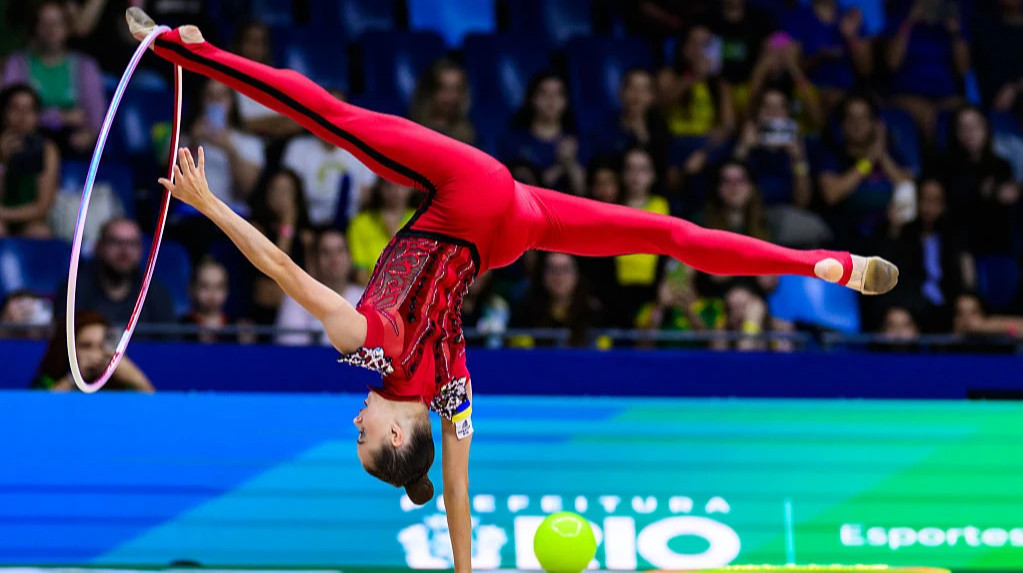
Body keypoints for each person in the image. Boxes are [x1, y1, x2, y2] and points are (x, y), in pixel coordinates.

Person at [129, 10, 898, 572]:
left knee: (666, 236)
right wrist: (208, 204)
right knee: (334, 118)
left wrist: (466, 572)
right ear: (395, 437)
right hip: (468, 197)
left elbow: (459, 491)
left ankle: (822, 262)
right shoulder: (368, 351)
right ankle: (187, 53)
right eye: (361, 435)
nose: (354, 420)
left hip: (507, 233)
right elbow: (282, 268)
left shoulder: (452, 388)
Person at [2, 0, 105, 155]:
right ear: (34, 28)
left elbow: (96, 116)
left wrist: (90, 135)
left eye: (57, 23)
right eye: (44, 23)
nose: (51, 30)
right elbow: (13, 113)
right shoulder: (17, 64)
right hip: (27, 140)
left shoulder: (85, 66)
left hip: (74, 142)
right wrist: (61, 117)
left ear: (68, 27)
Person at [281, 88, 378, 228]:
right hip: (306, 227)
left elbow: (367, 200)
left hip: (350, 227)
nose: (332, 117)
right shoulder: (297, 149)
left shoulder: (362, 150)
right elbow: (288, 198)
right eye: (327, 110)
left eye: (338, 110)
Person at [55, 217, 176, 327]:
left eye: (132, 244)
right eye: (115, 242)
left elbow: (171, 346)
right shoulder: (74, 291)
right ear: (99, 247)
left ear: (141, 250)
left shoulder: (155, 293)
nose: (124, 251)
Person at [499, 72, 585, 195]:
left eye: (558, 94)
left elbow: (585, 192)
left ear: (566, 101)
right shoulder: (513, 142)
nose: (551, 100)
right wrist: (560, 167)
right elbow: (515, 190)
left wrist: (571, 164)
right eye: (544, 93)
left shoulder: (577, 141)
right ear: (532, 98)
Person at [277, 229, 364, 346]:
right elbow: (291, 349)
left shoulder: (367, 299)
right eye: (326, 252)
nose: (334, 259)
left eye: (340, 251)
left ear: (350, 258)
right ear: (314, 260)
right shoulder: (296, 298)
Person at [32, 310, 155, 391]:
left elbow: (154, 411)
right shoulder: (45, 382)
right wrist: (73, 379)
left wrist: (134, 377)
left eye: (102, 346)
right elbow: (35, 415)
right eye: (86, 346)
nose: (96, 355)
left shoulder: (122, 387)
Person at [0, 84, 59, 238]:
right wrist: (2, 162)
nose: (22, 116)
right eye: (15, 108)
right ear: (4, 112)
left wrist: (4, 214)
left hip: (30, 220)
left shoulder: (47, 150)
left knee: (40, 232)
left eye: (29, 110)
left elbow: (42, 207)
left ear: (37, 115)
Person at [410, 59, 475, 146]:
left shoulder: (470, 136)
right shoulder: (413, 133)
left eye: (457, 89)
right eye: (444, 89)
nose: (451, 97)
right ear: (430, 91)